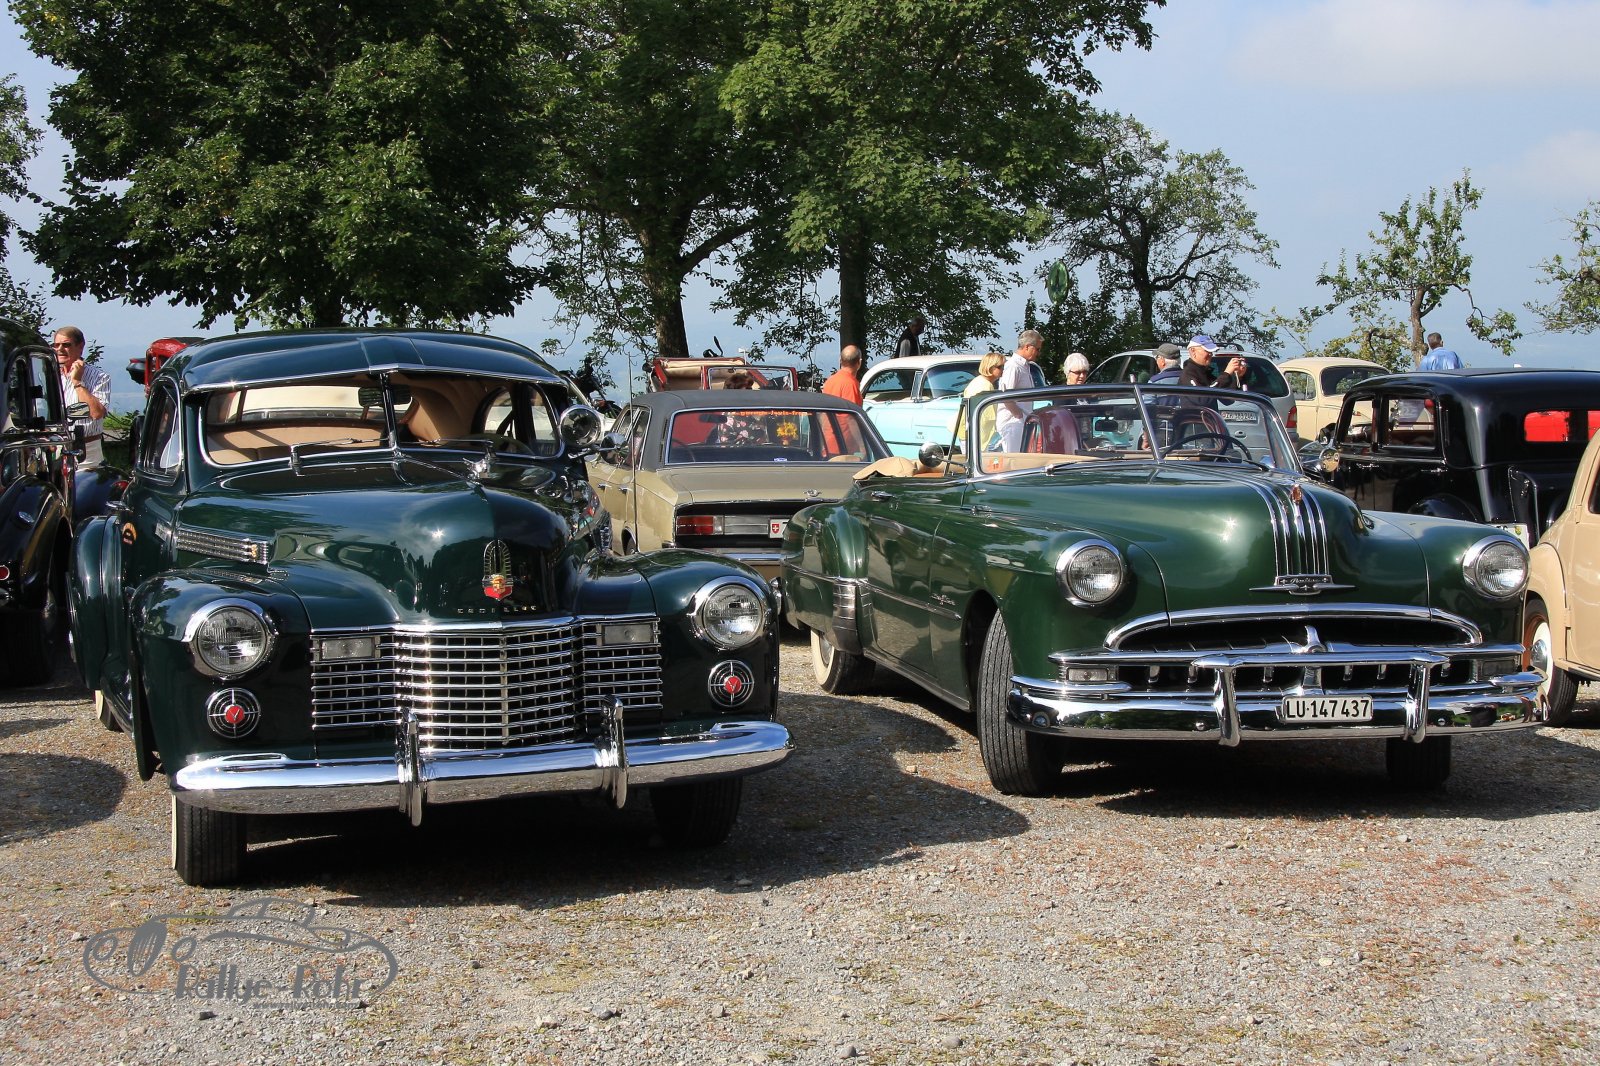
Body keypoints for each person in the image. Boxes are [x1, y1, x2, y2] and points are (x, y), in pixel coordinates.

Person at [52, 326, 111, 467]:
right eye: (56, 345)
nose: (60, 349)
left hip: (87, 451)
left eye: (66, 345)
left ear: (80, 347)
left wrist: (77, 382)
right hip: (54, 450)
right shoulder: (48, 376)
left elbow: (96, 413)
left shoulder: (99, 377)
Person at [995, 329, 1044, 451]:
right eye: (1037, 349)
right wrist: (1019, 416)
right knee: (1014, 459)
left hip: (1020, 423)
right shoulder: (1013, 366)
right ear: (1027, 347)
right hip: (1012, 424)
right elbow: (1005, 395)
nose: (1039, 353)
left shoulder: (1025, 366)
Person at [954, 351, 1005, 446]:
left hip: (970, 432)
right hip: (975, 434)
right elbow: (987, 416)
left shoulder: (979, 381)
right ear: (990, 367)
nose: (1003, 369)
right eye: (1000, 367)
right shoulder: (985, 385)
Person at [1178, 335, 1247, 391]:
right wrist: (1226, 373)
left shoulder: (1206, 374)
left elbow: (1227, 400)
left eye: (1211, 352)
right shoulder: (1188, 374)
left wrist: (1237, 376)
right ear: (1193, 351)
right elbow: (1203, 398)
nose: (1210, 354)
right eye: (1207, 351)